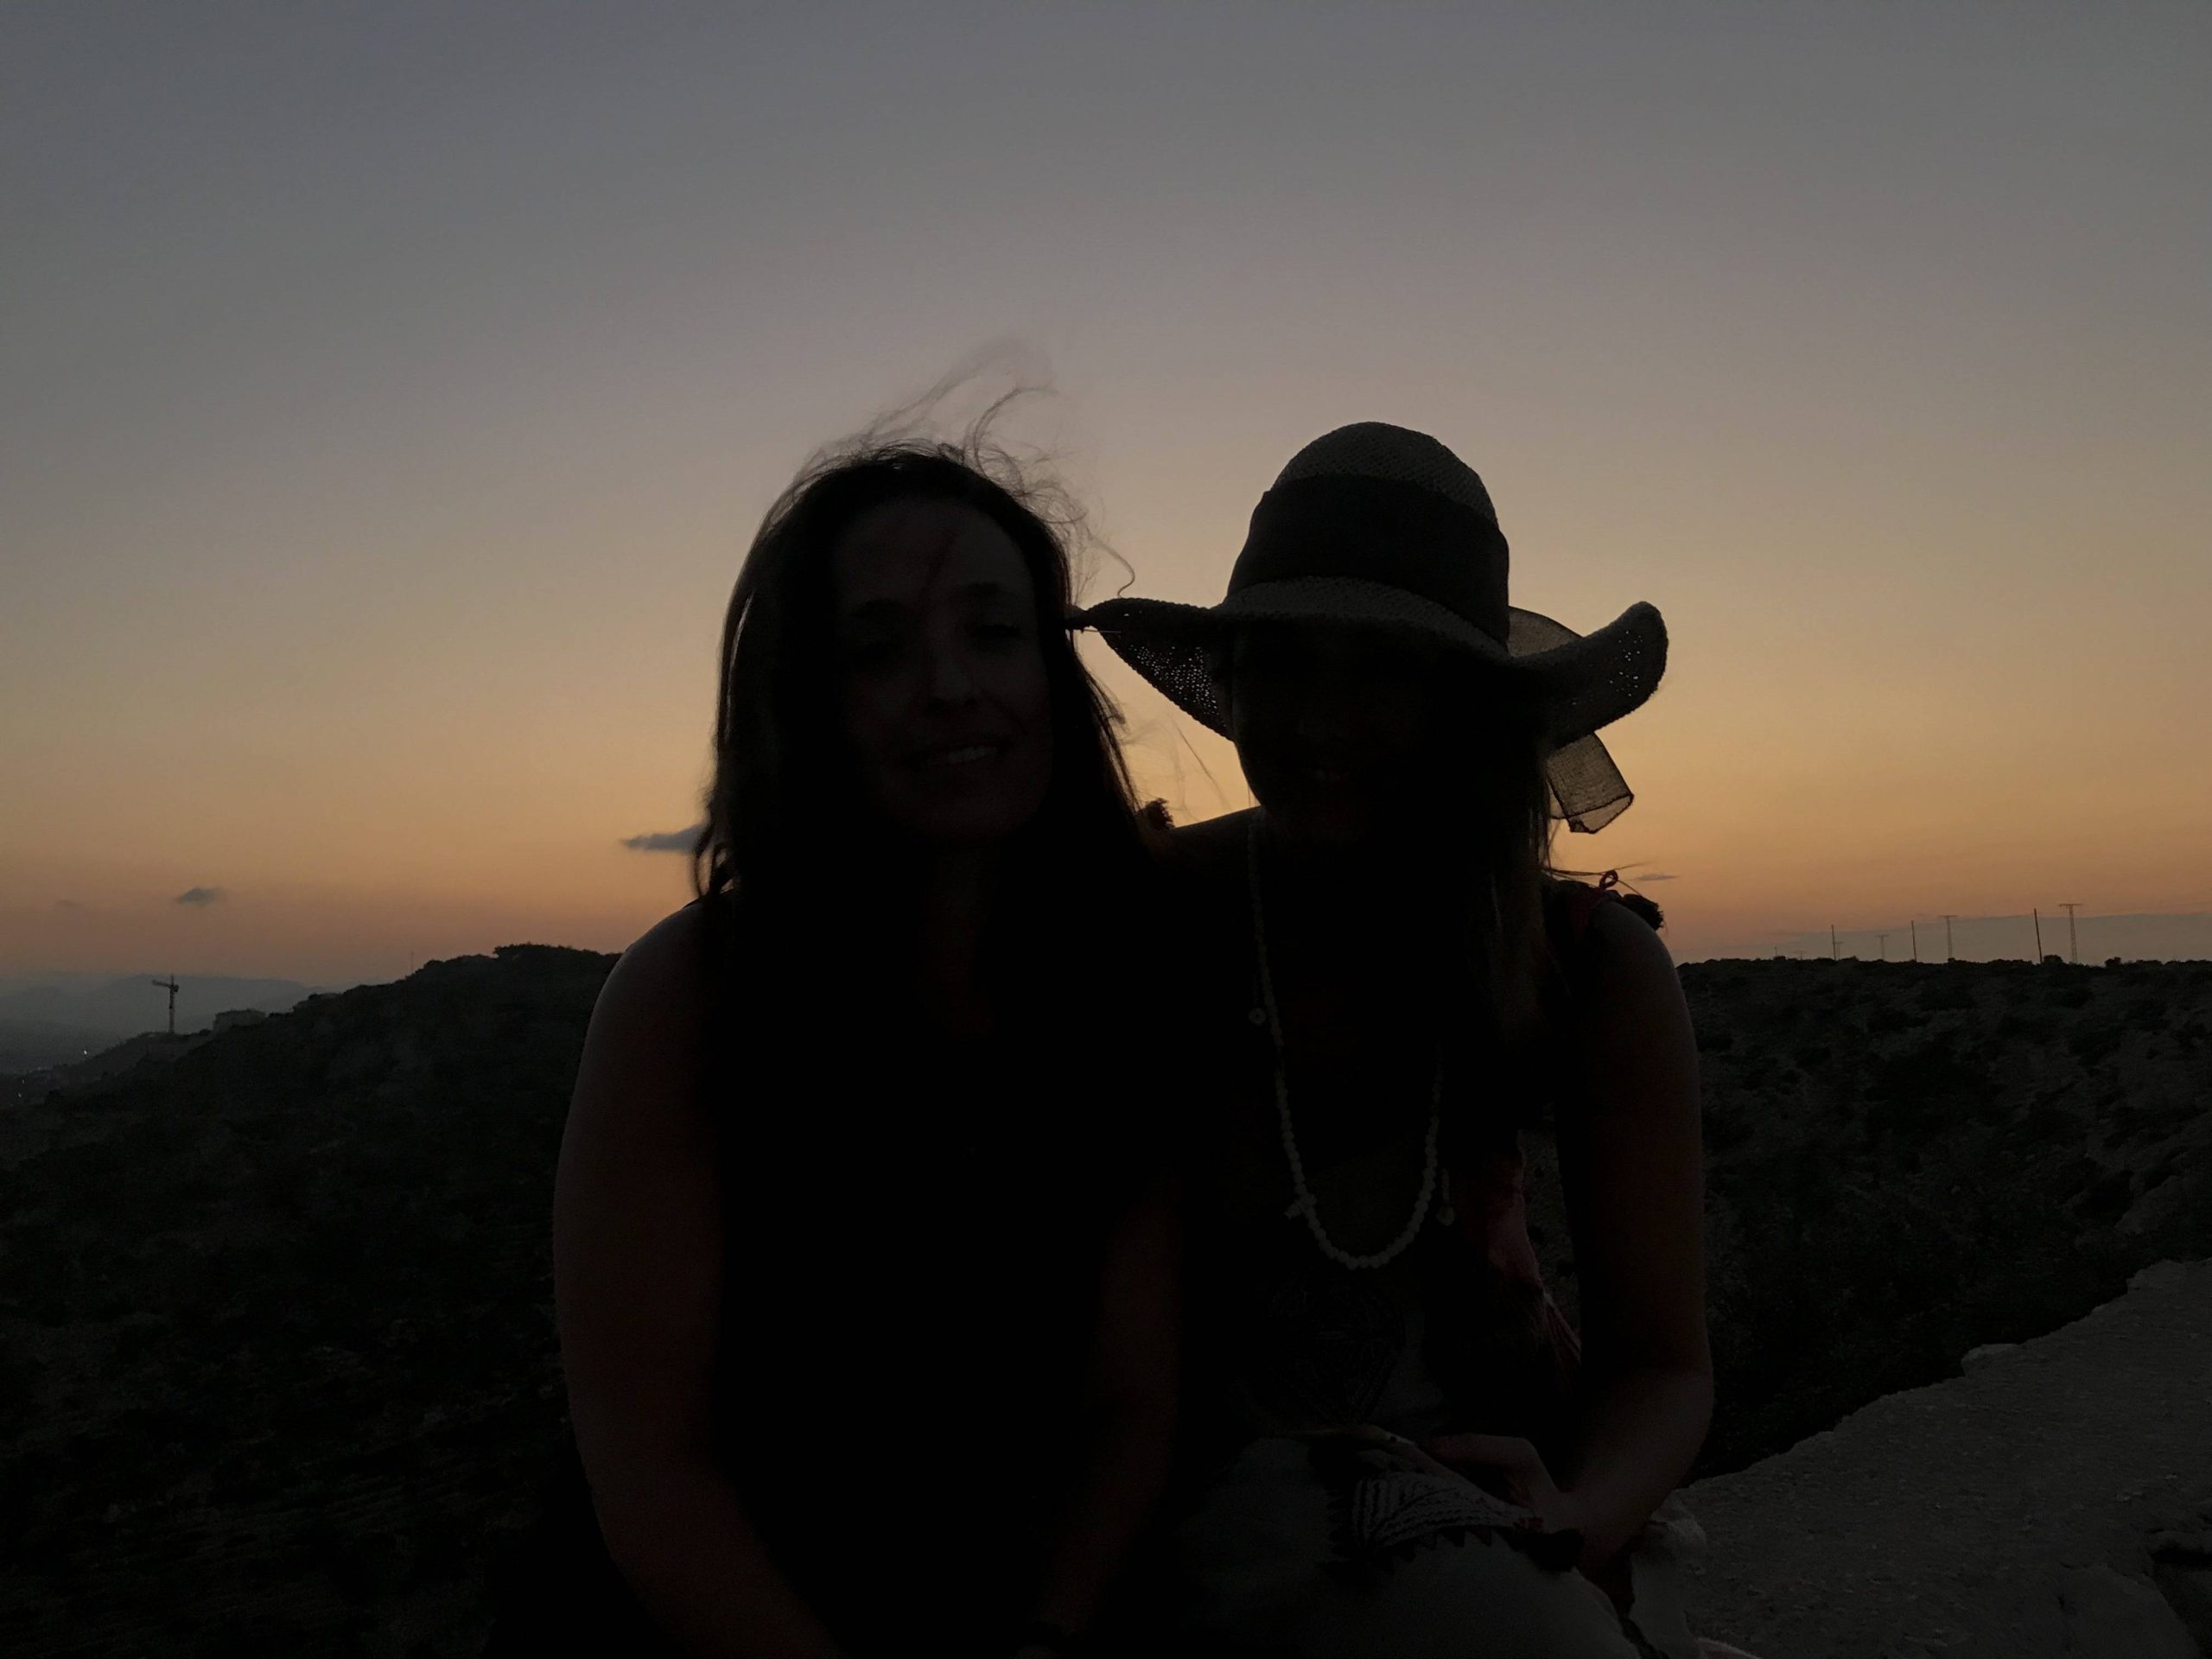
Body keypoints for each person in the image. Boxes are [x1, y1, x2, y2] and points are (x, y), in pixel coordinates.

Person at [485, 422, 1182, 1658]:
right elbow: (651, 1466)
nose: (950, 687)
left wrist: (1051, 1632)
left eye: (993, 632)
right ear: (809, 701)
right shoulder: (689, 1002)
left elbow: (1133, 1404)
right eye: (878, 651)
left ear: (1053, 675)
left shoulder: (1118, 985)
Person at [1077, 423, 1744, 1658]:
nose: (1322, 723)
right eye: (1285, 665)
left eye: (1383, 673)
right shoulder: (1149, 915)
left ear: (1470, 710)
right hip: (1175, 1525)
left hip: (1493, 1525)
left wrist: (1580, 1519)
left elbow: (1662, 1368)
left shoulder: (1589, 968)